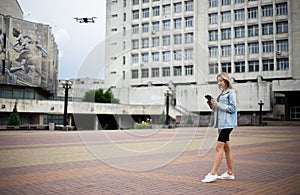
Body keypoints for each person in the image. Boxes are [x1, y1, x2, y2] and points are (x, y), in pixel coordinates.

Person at [201, 72, 238, 183]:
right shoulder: (221, 94)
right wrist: (212, 105)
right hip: (221, 124)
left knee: (218, 147)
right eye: (218, 81)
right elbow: (217, 109)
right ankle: (230, 173)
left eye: (221, 80)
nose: (219, 83)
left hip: (228, 124)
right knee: (226, 148)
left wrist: (218, 104)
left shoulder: (231, 93)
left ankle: (213, 173)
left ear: (226, 81)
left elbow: (233, 108)